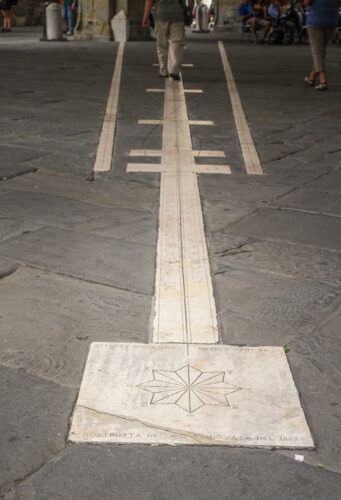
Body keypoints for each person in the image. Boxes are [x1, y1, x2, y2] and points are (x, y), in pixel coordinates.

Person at [142, 0, 194, 80]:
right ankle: (174, 70)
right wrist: (190, 9)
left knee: (162, 43)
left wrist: (146, 16)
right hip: (177, 15)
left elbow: (149, 1)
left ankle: (164, 70)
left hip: (161, 14)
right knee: (177, 42)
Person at [304, 0, 340, 90]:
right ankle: (311, 78)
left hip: (315, 21)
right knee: (321, 50)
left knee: (317, 51)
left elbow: (307, 2)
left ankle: (323, 80)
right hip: (331, 22)